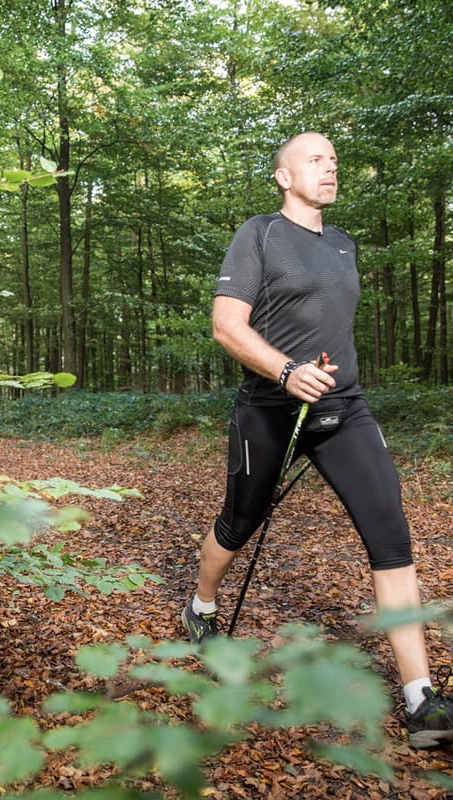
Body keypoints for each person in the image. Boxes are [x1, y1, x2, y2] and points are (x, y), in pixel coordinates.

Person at [182, 131, 453, 748]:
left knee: (391, 532)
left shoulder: (343, 243)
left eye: (333, 161)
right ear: (283, 176)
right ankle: (200, 606)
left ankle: (422, 704)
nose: (330, 169)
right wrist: (284, 370)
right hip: (271, 407)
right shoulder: (259, 235)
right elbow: (226, 325)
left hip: (343, 408)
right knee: (239, 520)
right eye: (315, 160)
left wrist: (327, 379)